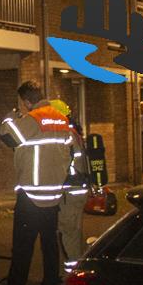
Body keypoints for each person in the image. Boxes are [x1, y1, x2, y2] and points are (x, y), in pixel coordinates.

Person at [0, 81, 73, 285]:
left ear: (27, 100)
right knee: (50, 244)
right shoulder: (61, 119)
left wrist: (9, 117)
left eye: (22, 103)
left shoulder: (33, 119)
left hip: (32, 194)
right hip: (54, 192)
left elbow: (7, 136)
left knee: (22, 245)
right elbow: (70, 153)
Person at [50, 99, 89, 274]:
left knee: (68, 232)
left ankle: (74, 275)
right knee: (73, 231)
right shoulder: (73, 132)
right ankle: (78, 268)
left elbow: (60, 163)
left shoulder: (65, 135)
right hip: (77, 189)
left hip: (70, 191)